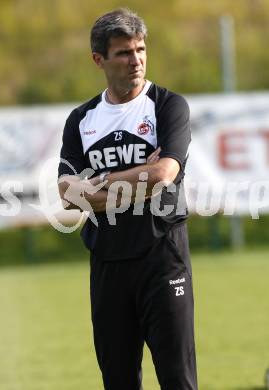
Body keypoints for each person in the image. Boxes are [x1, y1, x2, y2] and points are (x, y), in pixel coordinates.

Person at [58, 8, 198, 390]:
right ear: (98, 59)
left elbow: (163, 174)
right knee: (118, 381)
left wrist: (98, 184)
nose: (135, 60)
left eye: (140, 49)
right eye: (123, 52)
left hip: (163, 259)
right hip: (108, 265)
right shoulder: (82, 120)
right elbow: (68, 194)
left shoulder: (168, 106)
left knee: (178, 380)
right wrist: (137, 180)